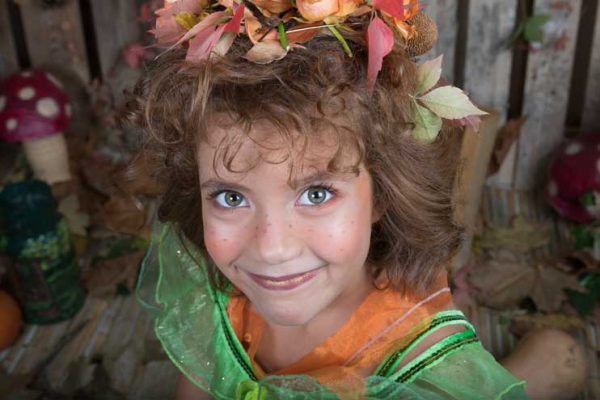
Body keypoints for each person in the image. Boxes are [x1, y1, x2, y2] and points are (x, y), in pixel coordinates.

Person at [130, 0, 528, 398]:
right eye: (231, 197)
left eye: (316, 194)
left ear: (381, 195)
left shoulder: (424, 368)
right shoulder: (216, 296)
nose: (272, 249)